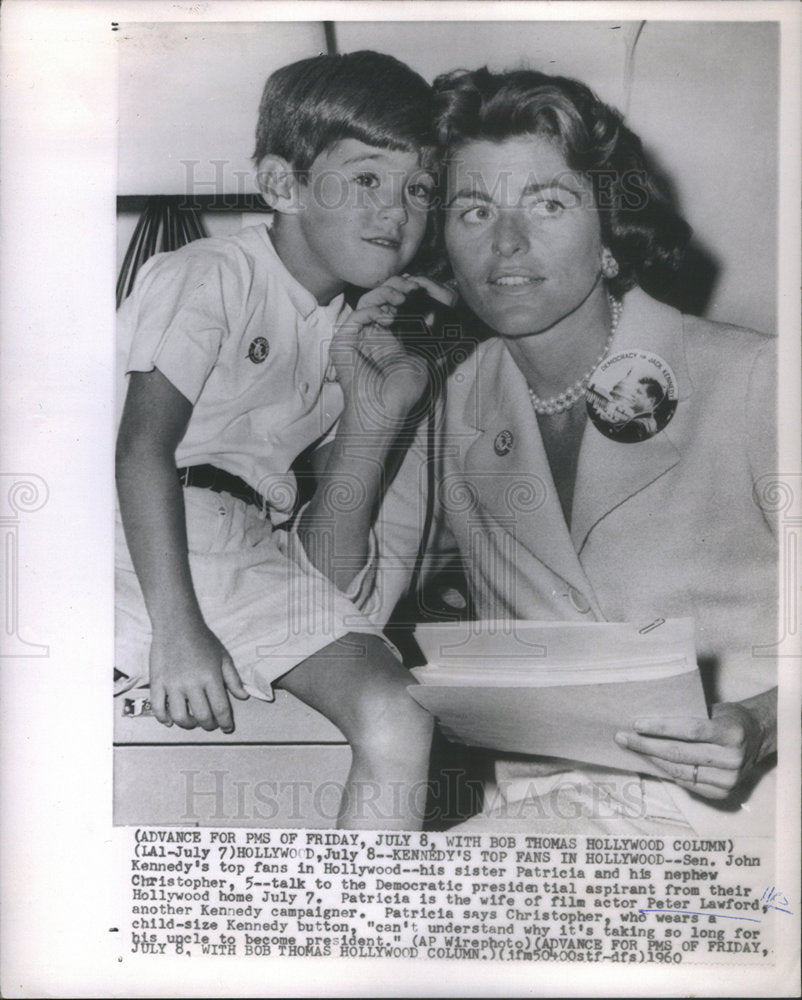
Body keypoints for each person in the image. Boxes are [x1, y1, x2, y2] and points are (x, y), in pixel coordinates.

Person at [296, 67, 778, 833]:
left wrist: (761, 722)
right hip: (549, 821)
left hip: (751, 820)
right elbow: (323, 608)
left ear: (611, 233)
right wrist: (368, 422)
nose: (507, 243)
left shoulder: (756, 378)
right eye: (474, 210)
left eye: (548, 203)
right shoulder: (453, 402)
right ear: (443, 246)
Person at [115, 50, 453, 830]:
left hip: (245, 547)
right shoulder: (211, 273)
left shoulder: (352, 335)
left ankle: (357, 909)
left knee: (402, 710)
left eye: (418, 189)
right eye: (366, 179)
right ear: (281, 185)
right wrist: (178, 630)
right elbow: (139, 452)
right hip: (146, 532)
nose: (396, 213)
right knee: (395, 712)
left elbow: (325, 569)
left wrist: (373, 410)